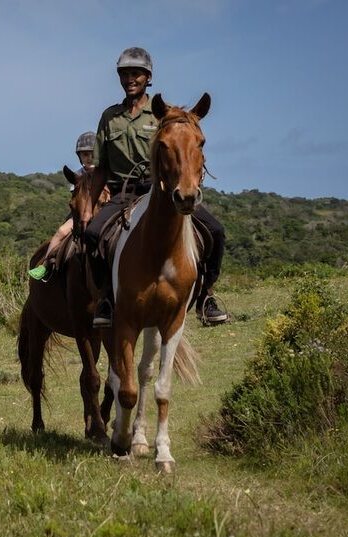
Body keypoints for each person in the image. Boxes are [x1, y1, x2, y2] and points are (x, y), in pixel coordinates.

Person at [85, 47, 228, 327]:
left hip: (161, 192)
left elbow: (183, 150)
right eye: (125, 74)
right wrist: (89, 207)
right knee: (92, 234)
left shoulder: (164, 114)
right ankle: (106, 298)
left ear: (148, 77)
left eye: (136, 73)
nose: (130, 79)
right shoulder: (109, 117)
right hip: (123, 193)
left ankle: (206, 296)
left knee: (215, 231)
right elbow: (100, 169)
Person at [28, 131, 110, 280]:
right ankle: (46, 265)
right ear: (79, 157)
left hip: (103, 212)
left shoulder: (105, 172)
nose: (89, 158)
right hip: (79, 214)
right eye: (85, 155)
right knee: (60, 231)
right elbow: (77, 199)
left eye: (92, 154)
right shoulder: (78, 175)